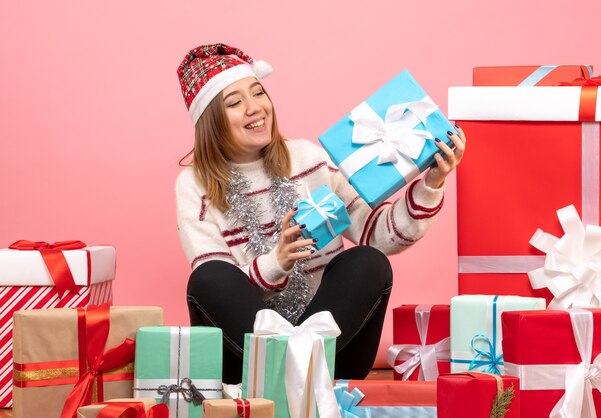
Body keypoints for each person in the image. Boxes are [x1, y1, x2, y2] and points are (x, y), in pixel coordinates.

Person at [175, 43, 465, 384]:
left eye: (258, 93)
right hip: (248, 359)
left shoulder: (308, 159)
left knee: (368, 262)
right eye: (235, 103)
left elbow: (379, 236)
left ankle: (298, 369)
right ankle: (292, 374)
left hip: (330, 349)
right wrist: (277, 261)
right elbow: (222, 291)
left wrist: (432, 182)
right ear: (209, 120)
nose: (255, 108)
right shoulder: (193, 185)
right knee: (209, 278)